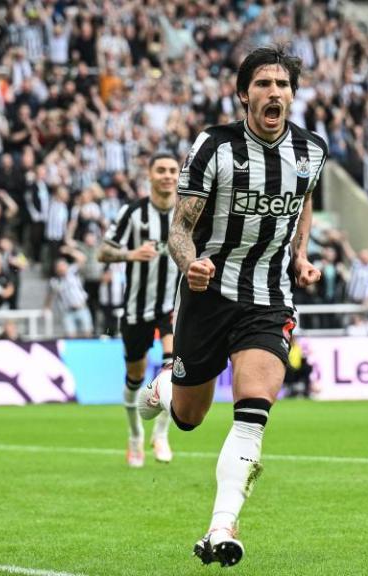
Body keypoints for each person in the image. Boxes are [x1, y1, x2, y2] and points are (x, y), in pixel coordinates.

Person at [137, 46, 327, 567]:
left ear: (292, 94)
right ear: (244, 94)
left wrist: (302, 255)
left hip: (268, 299)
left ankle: (221, 527)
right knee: (189, 417)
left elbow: (305, 199)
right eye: (263, 84)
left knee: (251, 416)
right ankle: (167, 385)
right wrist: (190, 262)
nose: (274, 93)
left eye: (282, 84)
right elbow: (179, 226)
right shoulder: (214, 146)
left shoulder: (312, 150)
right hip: (208, 295)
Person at [98, 153, 180, 468]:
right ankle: (135, 436)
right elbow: (102, 252)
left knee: (173, 370)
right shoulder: (132, 213)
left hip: (173, 306)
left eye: (173, 170)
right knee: (134, 377)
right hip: (136, 309)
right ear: (149, 175)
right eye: (161, 170)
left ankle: (161, 434)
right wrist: (131, 254)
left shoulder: (187, 211)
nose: (167, 176)